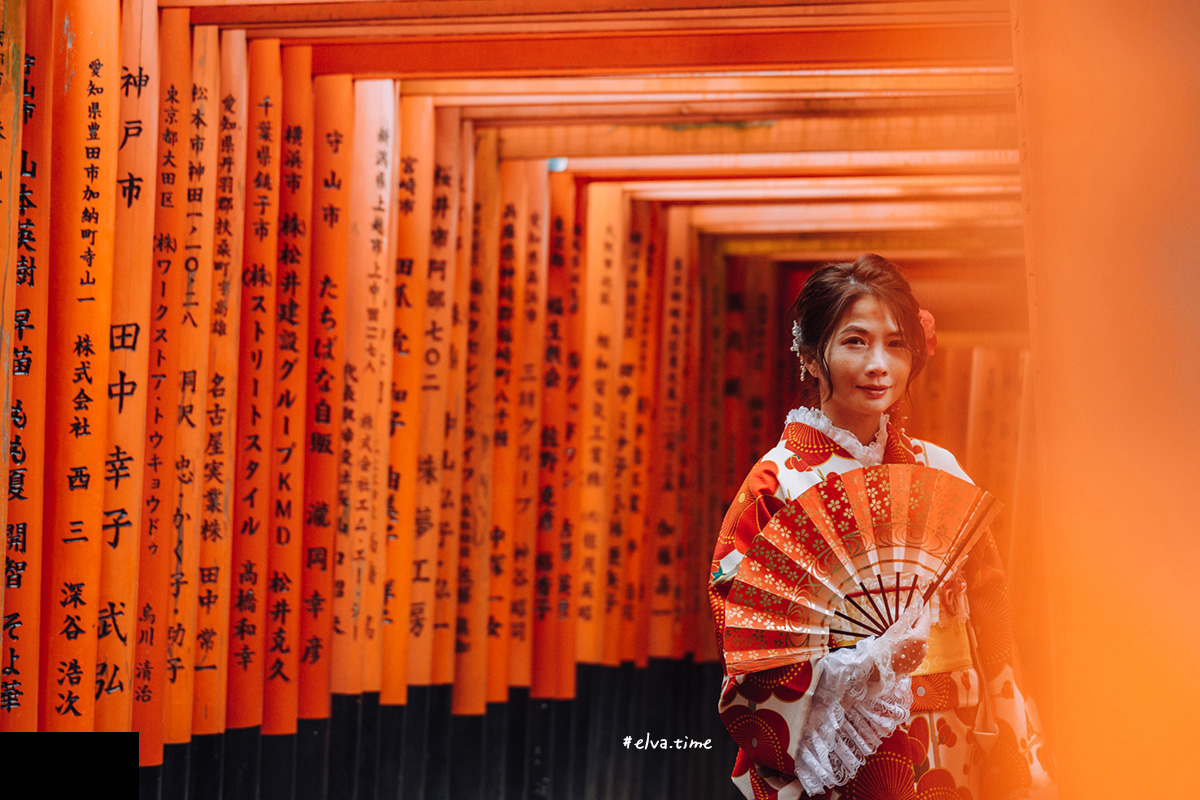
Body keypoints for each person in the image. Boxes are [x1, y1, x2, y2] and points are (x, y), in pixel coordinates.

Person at [709, 254, 1054, 800]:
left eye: (896, 344)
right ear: (811, 355)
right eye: (855, 342)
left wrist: (1013, 741)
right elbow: (751, 649)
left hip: (955, 735)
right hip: (849, 745)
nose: (879, 365)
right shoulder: (778, 487)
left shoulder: (939, 470)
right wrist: (865, 665)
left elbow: (991, 617)